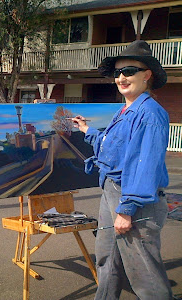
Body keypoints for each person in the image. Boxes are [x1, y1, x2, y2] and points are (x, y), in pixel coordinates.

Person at [72, 40, 173, 299]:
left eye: (128, 71)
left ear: (147, 75)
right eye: (118, 72)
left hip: (134, 200)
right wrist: (87, 130)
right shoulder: (125, 110)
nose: (121, 77)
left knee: (144, 273)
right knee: (107, 259)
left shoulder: (150, 113)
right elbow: (112, 148)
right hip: (112, 192)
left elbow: (145, 165)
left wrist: (127, 210)